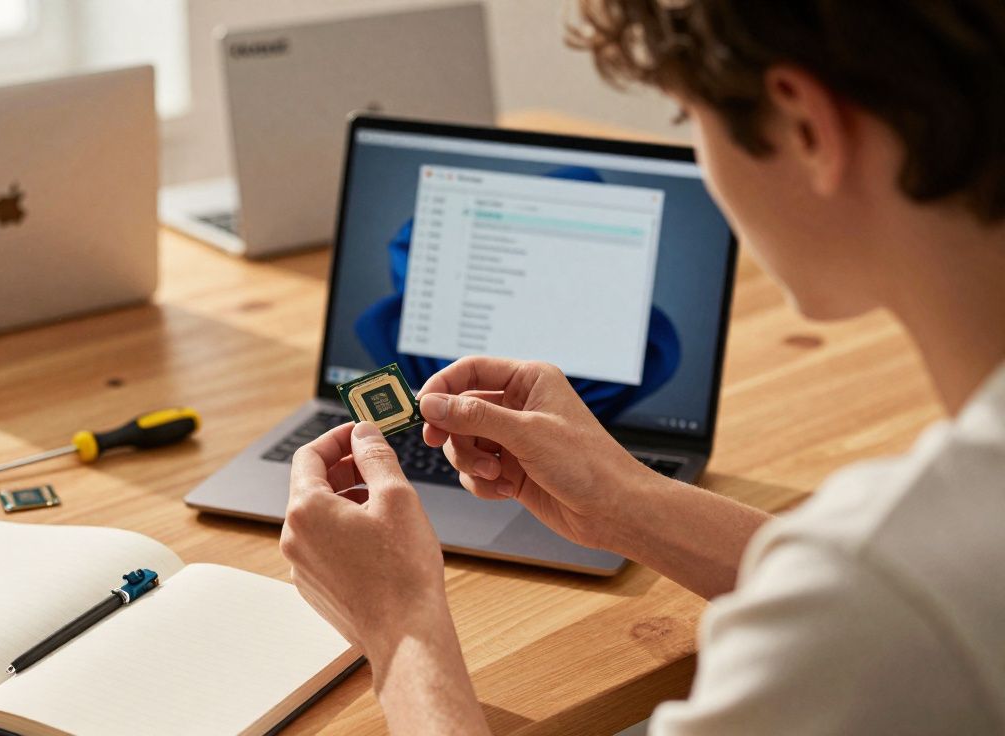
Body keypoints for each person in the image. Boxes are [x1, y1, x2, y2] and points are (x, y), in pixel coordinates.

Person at [279, 1, 1005, 733]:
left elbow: (875, 605)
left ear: (806, 126)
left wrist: (400, 632)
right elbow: (868, 601)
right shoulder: (915, 568)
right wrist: (627, 500)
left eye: (686, 120)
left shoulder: (891, 593)